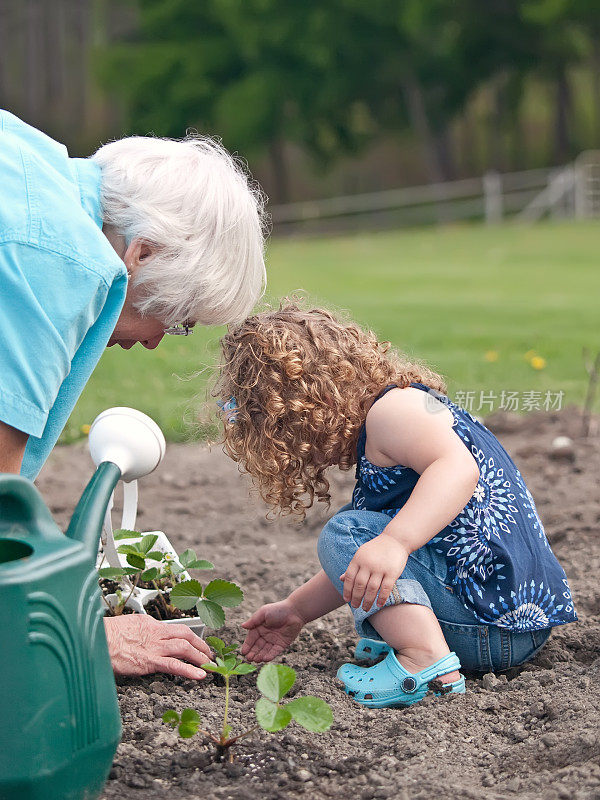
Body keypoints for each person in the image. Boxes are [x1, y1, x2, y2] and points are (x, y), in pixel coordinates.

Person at [0, 109, 267, 680]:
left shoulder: (25, 158)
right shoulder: (56, 259)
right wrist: (85, 632)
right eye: (177, 320)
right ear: (142, 254)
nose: (155, 343)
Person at [215, 302, 577, 707]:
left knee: (348, 530)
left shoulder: (392, 413)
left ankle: (426, 659)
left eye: (283, 427)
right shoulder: (409, 411)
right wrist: (296, 610)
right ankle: (417, 640)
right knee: (367, 536)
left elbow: (458, 469)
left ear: (304, 406)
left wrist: (396, 542)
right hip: (511, 628)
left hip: (488, 630)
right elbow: (368, 561)